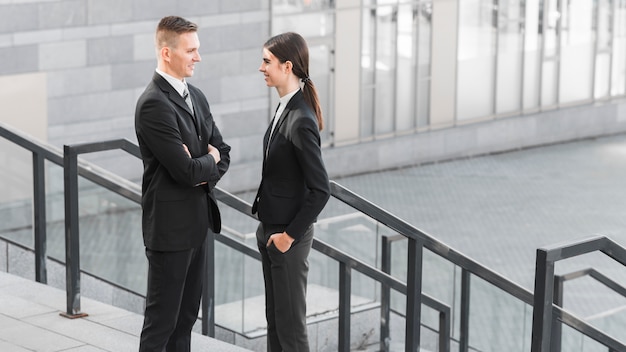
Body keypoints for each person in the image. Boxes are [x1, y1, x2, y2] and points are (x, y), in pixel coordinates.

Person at [134, 15, 230, 352]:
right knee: (162, 324)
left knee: (186, 318)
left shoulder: (197, 96)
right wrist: (209, 160)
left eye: (197, 49)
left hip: (198, 225)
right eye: (190, 51)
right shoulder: (153, 105)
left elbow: (225, 152)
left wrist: (203, 163)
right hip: (170, 233)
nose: (198, 57)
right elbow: (186, 171)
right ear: (166, 53)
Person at [252, 32, 331, 352]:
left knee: (291, 328)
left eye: (266, 61)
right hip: (270, 230)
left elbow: (320, 190)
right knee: (276, 319)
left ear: (287, 66)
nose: (261, 68)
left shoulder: (300, 118)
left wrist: (288, 237)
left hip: (287, 237)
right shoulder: (285, 107)